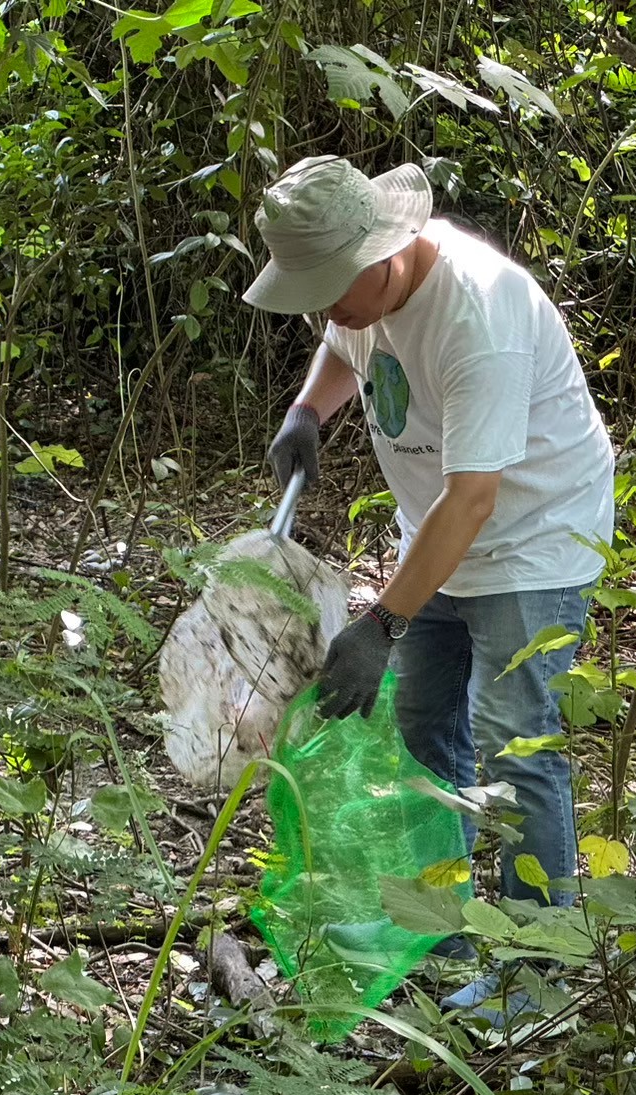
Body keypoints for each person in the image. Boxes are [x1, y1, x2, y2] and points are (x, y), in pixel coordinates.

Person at [242, 155, 615, 1022]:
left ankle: (535, 968)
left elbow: (473, 497)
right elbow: (344, 345)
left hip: (530, 543)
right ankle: (438, 929)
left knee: (515, 744)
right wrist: (307, 412)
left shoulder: (477, 316)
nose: (325, 311)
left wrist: (381, 623)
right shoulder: (362, 298)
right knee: (421, 728)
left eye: (332, 289)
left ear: (384, 254)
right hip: (437, 541)